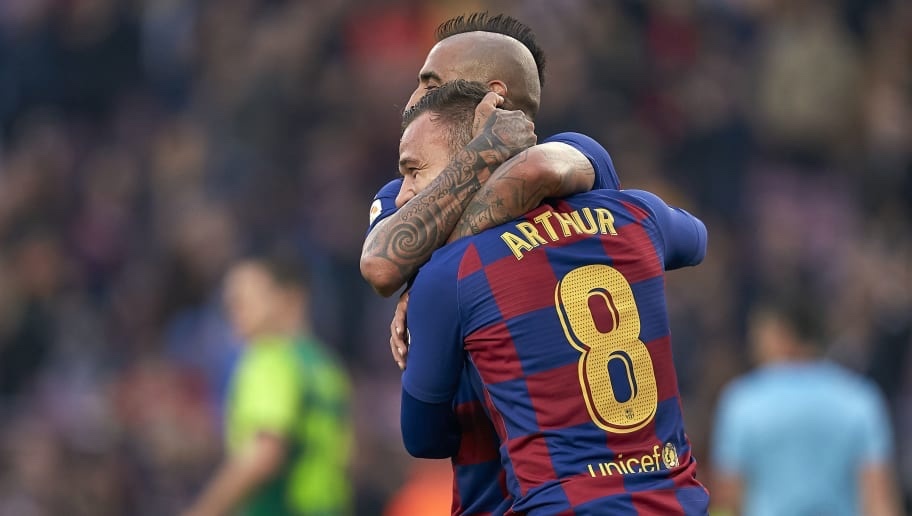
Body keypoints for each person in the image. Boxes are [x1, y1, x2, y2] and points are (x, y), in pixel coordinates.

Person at [399, 80, 710, 514]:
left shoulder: (452, 272)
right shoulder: (637, 215)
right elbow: (697, 239)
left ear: (465, 166)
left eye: (414, 171)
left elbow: (424, 438)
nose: (403, 194)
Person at [361, 13, 621, 515]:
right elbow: (381, 265)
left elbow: (538, 168)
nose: (412, 100)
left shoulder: (578, 155)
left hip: (578, 482)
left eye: (430, 83)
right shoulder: (403, 190)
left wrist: (431, 270)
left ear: (493, 96)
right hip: (490, 492)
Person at [184, 256, 353, 516]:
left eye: (244, 298)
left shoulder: (269, 358)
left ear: (288, 298)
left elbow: (265, 454)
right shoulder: (326, 366)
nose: (232, 308)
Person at [711, 294, 901, 516]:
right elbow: (879, 499)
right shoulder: (859, 398)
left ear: (780, 334)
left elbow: (729, 499)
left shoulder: (742, 402)